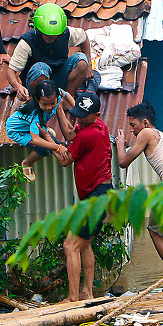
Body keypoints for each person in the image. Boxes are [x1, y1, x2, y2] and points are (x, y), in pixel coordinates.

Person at [115, 102, 163, 293]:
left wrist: (119, 145)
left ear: (144, 122)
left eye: (133, 125)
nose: (132, 131)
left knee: (155, 231)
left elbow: (123, 162)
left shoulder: (146, 133)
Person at [56, 92, 112, 302]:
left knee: (70, 245)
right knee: (85, 244)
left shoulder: (88, 135)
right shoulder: (99, 126)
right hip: (100, 194)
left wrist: (51, 143)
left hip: (95, 197)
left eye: (82, 116)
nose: (78, 118)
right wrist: (62, 107)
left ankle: (72, 298)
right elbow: (71, 134)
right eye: (76, 113)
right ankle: (87, 292)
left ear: (96, 114)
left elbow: (65, 160)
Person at [6, 3, 99, 101]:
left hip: (59, 76)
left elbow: (84, 38)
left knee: (81, 61)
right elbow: (11, 71)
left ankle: (67, 99)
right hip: (37, 80)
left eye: (55, 35)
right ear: (38, 31)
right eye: (47, 35)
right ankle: (41, 101)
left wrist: (89, 65)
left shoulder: (65, 33)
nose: (52, 38)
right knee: (41, 68)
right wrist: (18, 87)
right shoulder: (27, 42)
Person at [5, 80, 74, 182]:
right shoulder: (35, 116)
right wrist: (58, 147)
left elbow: (66, 94)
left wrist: (77, 110)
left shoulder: (56, 93)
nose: (49, 107)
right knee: (44, 149)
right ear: (37, 100)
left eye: (52, 103)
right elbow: (36, 140)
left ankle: (45, 132)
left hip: (34, 126)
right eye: (44, 104)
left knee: (50, 141)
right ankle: (26, 163)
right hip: (18, 131)